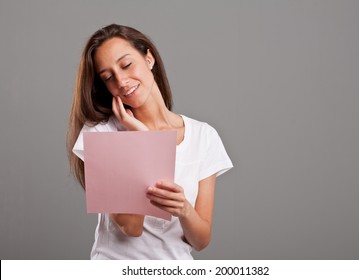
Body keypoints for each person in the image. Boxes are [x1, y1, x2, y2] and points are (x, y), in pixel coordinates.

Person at [66, 23, 233, 259]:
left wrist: (184, 209)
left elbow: (201, 240)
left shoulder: (204, 136)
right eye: (108, 77)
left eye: (126, 65)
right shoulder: (100, 134)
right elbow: (130, 227)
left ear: (149, 58)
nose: (122, 81)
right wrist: (144, 140)